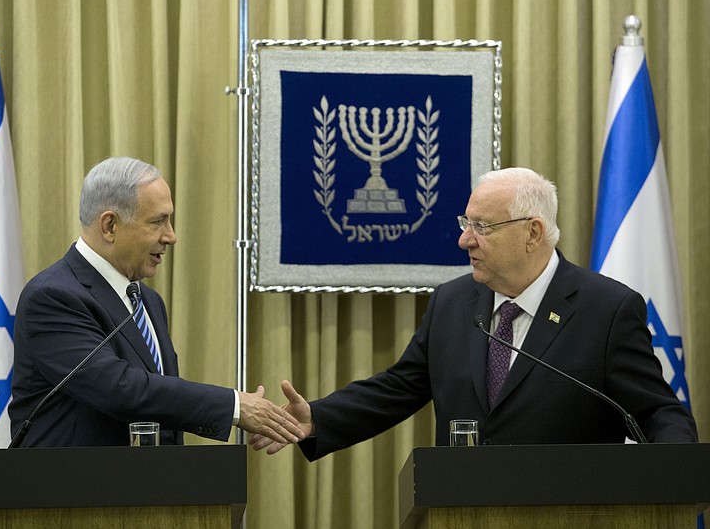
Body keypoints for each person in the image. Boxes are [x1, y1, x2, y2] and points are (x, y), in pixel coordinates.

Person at [251, 167, 697, 459]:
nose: (465, 240)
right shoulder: (452, 303)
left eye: (481, 227)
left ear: (533, 233)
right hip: (462, 512)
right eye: (466, 224)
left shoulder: (607, 310)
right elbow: (398, 387)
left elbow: (659, 413)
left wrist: (670, 475)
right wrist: (316, 418)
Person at [9, 156, 304, 447]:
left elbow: (159, 404)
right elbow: (119, 389)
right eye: (158, 221)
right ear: (110, 225)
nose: (171, 236)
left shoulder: (147, 300)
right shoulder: (52, 297)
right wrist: (234, 407)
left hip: (153, 488)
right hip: (76, 490)